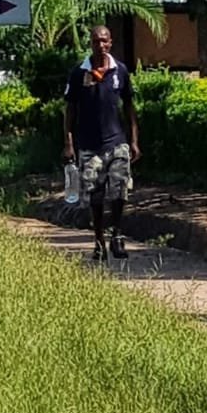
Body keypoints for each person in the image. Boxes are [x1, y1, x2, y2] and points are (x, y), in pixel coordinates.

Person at [64, 25, 140, 262]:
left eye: (104, 41)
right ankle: (98, 241)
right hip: (89, 145)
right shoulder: (79, 73)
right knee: (95, 196)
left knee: (119, 191)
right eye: (96, 41)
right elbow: (69, 110)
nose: (100, 45)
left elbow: (129, 107)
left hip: (117, 142)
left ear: (110, 42)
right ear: (90, 43)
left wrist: (134, 140)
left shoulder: (120, 71)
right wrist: (68, 143)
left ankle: (117, 235)